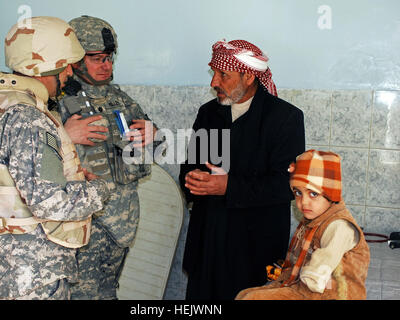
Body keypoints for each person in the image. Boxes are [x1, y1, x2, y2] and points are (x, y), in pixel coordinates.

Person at [0, 16, 114, 300]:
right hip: (32, 275)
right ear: (46, 66)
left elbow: (12, 183)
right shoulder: (27, 117)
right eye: (64, 65)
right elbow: (50, 202)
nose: (68, 73)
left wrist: (72, 180)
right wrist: (99, 191)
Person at [179, 39, 306, 300]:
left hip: (254, 250)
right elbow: (190, 170)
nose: (214, 82)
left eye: (223, 74)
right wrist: (193, 181)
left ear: (249, 76)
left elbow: (287, 185)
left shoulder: (284, 118)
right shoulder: (209, 114)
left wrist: (228, 186)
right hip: (208, 246)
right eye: (214, 73)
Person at [58, 15, 164, 300]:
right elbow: (30, 163)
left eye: (109, 57)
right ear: (76, 59)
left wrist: (154, 135)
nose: (107, 65)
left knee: (107, 293)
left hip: (122, 225)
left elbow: (159, 149)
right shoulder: (55, 102)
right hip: (83, 226)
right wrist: (64, 135)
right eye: (97, 59)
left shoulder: (121, 100)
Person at [236, 150, 370, 300]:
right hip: (305, 288)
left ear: (331, 194)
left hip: (331, 294)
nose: (303, 202)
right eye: (298, 193)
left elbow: (327, 257)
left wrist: (313, 277)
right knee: (244, 295)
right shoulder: (313, 219)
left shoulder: (339, 225)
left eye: (313, 194)